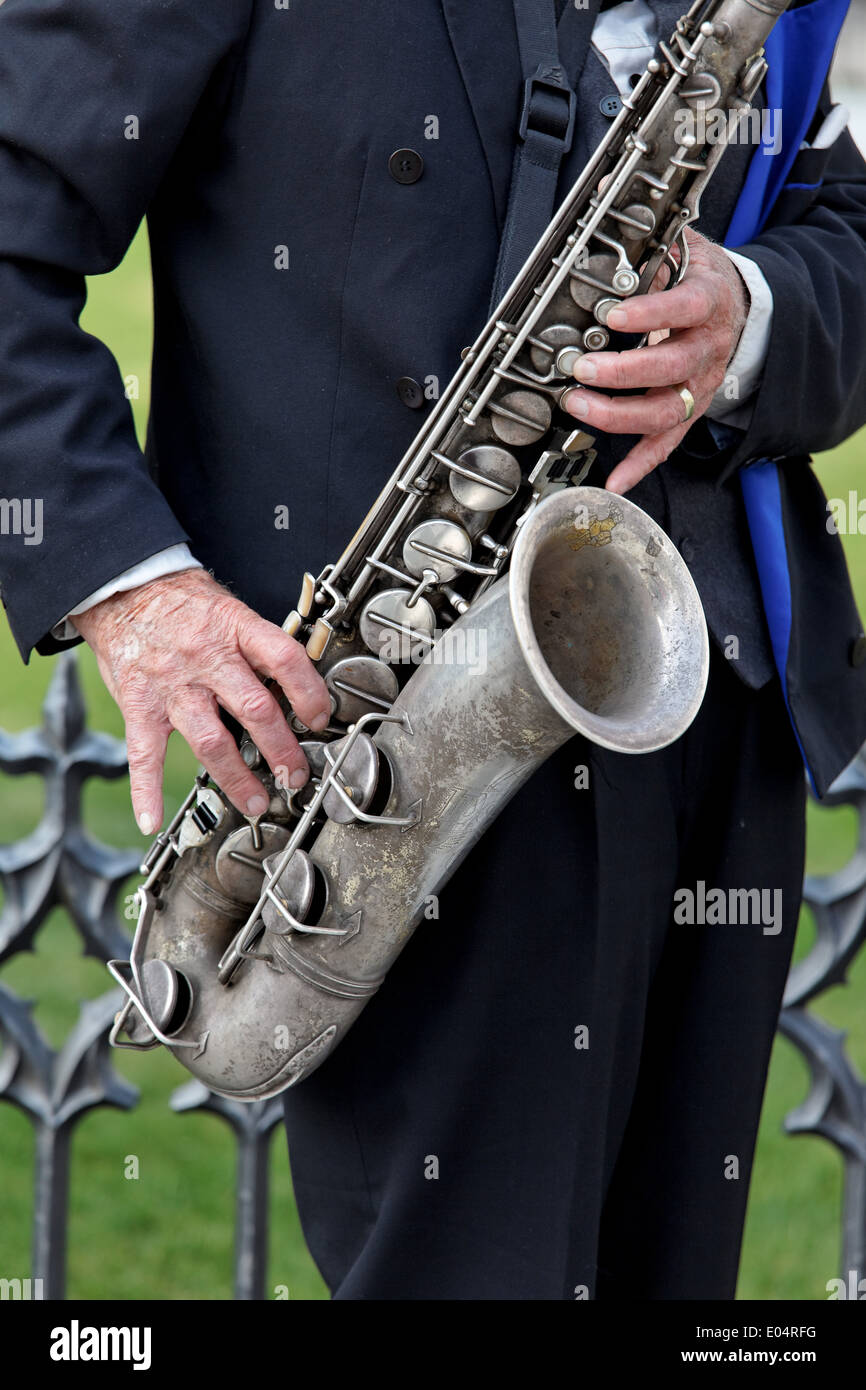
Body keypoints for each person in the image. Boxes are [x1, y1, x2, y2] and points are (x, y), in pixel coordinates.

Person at [1, 0, 865, 1299]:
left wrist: (746, 318)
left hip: (701, 702)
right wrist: (139, 597)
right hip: (383, 756)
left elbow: (845, 232)